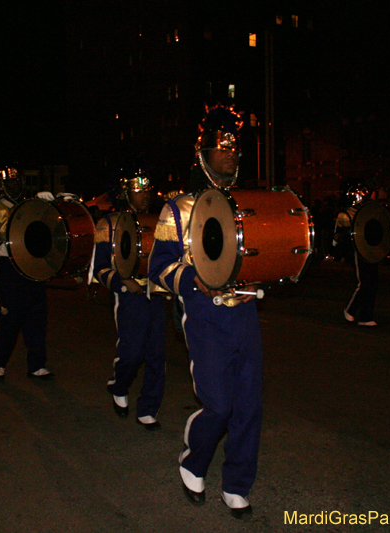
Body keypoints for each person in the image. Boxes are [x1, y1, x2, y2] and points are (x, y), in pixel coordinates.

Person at [149, 105, 262, 519]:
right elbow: (158, 267)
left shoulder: (247, 206)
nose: (231, 154)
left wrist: (259, 279)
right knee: (218, 404)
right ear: (202, 155)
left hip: (245, 313)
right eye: (222, 148)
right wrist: (189, 279)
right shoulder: (177, 209)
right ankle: (193, 461)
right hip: (204, 313)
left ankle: (237, 484)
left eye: (235, 149)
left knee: (248, 404)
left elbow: (258, 255)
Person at [92, 166, 166, 430]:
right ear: (126, 193)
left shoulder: (158, 221)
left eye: (147, 190)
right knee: (132, 352)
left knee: (157, 354)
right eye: (138, 190)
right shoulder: (108, 223)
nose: (145, 195)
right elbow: (99, 269)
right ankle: (119, 384)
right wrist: (122, 282)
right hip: (128, 296)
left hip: (155, 294)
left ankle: (148, 408)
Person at [0, 168, 59, 381]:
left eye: (18, 181)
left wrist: (48, 206)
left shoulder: (29, 206)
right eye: (10, 182)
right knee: (9, 319)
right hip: (8, 270)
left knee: (37, 318)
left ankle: (37, 365)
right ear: (2, 185)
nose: (15, 185)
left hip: (32, 268)